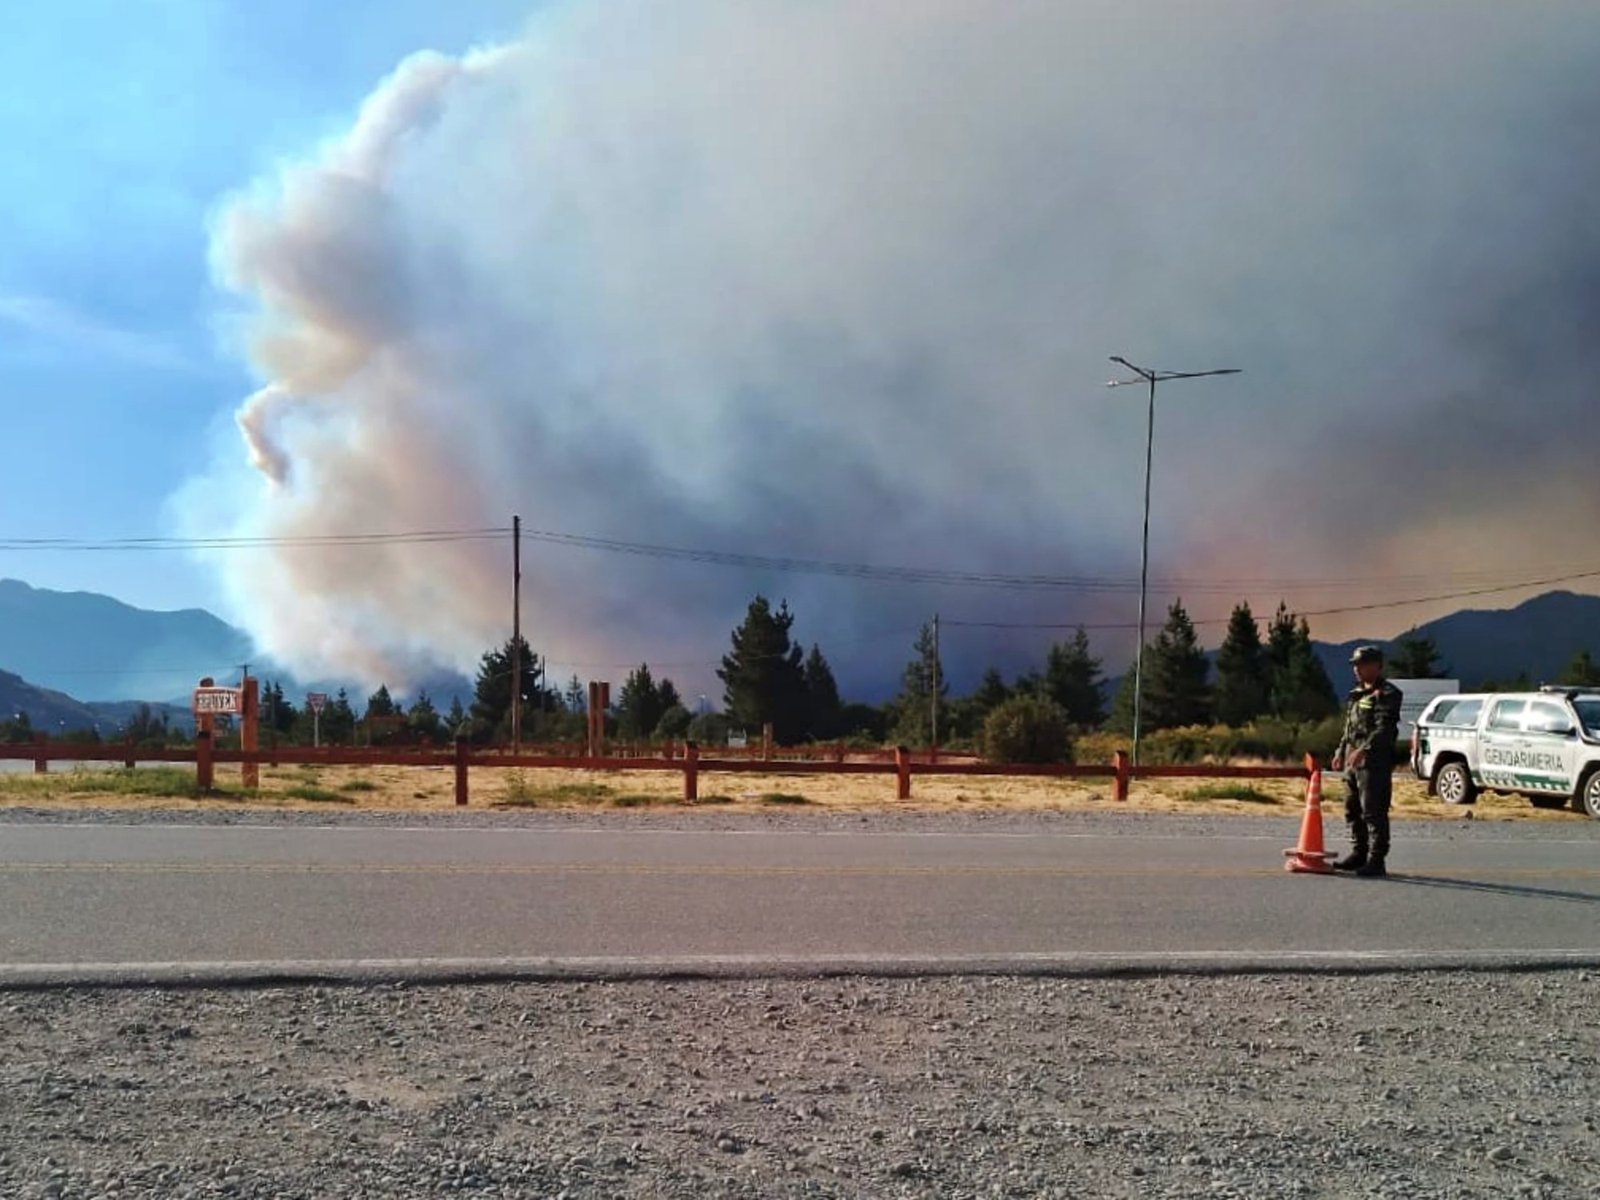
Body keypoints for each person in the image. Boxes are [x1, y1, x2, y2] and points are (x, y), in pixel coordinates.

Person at [1331, 646, 1403, 877]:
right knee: (1352, 808)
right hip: (1353, 759)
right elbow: (1349, 726)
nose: (1356, 669)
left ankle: (1376, 859)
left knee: (1373, 810)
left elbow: (1385, 727)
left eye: (1360, 664)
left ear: (1376, 666)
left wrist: (1365, 748)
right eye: (1354, 665)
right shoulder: (1356, 694)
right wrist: (1340, 750)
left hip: (1374, 761)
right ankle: (1358, 853)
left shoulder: (1388, 693)